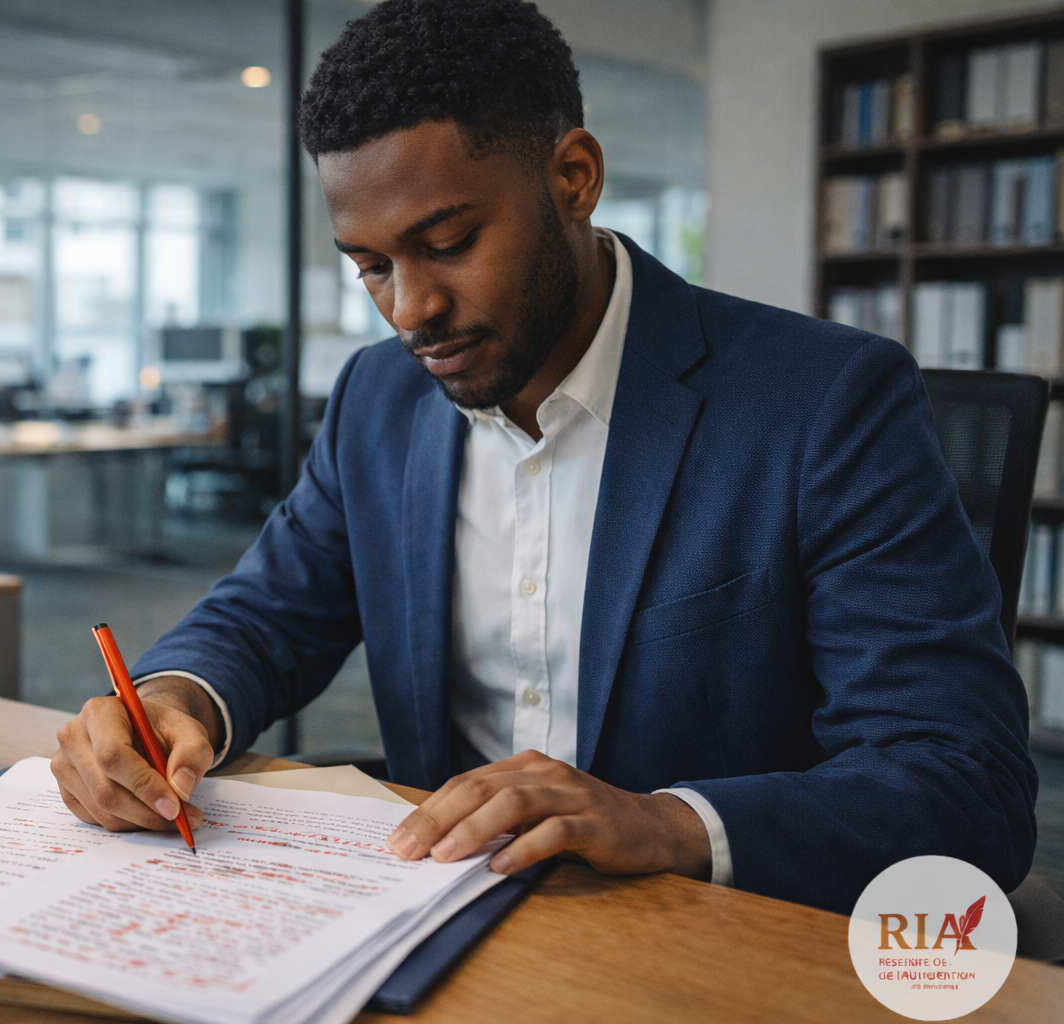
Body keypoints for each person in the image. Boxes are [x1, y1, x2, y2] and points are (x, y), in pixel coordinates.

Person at [51, 0, 1036, 914]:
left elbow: (962, 779)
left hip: (707, 941)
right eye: (372, 267)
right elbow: (269, 611)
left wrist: (662, 820)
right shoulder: (377, 399)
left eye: (449, 241)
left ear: (573, 178)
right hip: (436, 924)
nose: (411, 310)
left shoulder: (824, 400)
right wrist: (174, 697)